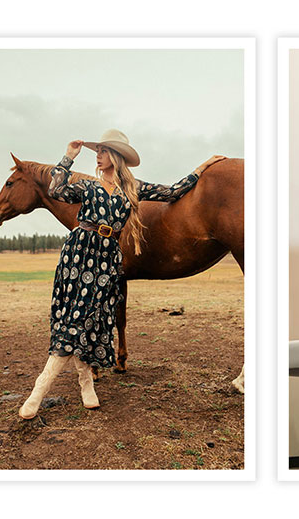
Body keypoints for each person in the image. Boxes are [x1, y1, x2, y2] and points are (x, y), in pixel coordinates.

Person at [19, 129, 224, 420]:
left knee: (93, 319)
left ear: (115, 157)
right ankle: (38, 393)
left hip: (108, 258)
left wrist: (202, 167)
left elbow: (174, 192)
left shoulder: (132, 189)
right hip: (80, 252)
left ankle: (85, 382)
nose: (98, 156)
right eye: (97, 151)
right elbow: (56, 191)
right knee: (73, 319)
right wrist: (68, 156)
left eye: (102, 151)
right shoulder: (88, 186)